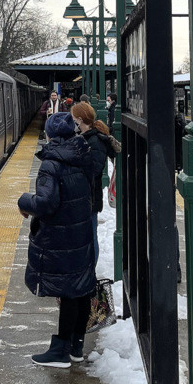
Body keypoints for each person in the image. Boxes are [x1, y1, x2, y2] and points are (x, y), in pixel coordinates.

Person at [18, 111, 96, 367]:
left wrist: (24, 200)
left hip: (62, 233)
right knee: (80, 289)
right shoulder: (82, 154)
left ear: (50, 134)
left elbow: (46, 203)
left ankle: (60, 351)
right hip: (80, 229)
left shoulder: (51, 163)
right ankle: (75, 347)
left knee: (68, 290)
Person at [71, 101, 120, 265]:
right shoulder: (88, 137)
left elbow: (93, 170)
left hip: (90, 198)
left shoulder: (95, 141)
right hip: (87, 197)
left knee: (90, 236)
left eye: (74, 119)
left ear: (79, 119)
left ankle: (90, 272)